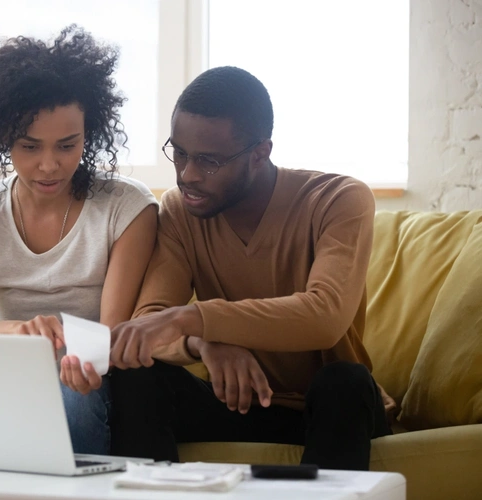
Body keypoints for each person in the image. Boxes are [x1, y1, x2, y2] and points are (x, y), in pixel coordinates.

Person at [67, 66, 396, 470]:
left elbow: (325, 315)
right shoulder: (178, 211)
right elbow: (149, 322)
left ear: (260, 153)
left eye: (208, 161)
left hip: (328, 411)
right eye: (180, 153)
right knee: (138, 374)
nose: (187, 175)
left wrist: (194, 320)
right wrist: (205, 343)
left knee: (344, 381)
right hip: (237, 406)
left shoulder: (338, 200)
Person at [0, 25, 158, 456]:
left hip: (89, 375)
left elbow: (110, 332)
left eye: (67, 144)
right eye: (29, 146)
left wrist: (68, 355)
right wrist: (20, 331)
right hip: (6, 368)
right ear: (2, 138)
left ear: (88, 133)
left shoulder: (128, 208)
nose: (49, 165)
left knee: (72, 398)